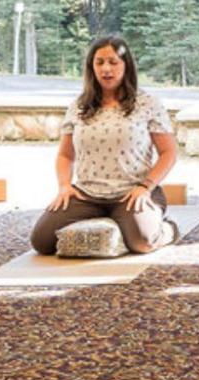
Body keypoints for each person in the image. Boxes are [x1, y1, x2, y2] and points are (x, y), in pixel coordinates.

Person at [30, 36, 180, 256]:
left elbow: (169, 153)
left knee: (142, 242)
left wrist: (145, 187)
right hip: (87, 194)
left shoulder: (147, 103)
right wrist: (64, 186)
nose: (106, 69)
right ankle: (112, 222)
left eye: (113, 62)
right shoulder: (78, 106)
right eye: (99, 62)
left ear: (126, 66)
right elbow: (65, 155)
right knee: (41, 241)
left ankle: (168, 229)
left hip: (133, 192)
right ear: (91, 67)